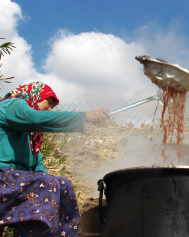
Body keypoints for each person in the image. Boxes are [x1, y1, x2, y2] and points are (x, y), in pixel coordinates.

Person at [0, 82, 110, 236]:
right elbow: (34, 118)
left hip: (14, 182)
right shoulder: (11, 104)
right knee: (46, 184)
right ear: (35, 95)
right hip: (2, 176)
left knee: (63, 185)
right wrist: (84, 116)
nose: (50, 109)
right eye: (49, 103)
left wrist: (54, 184)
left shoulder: (32, 139)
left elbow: (39, 170)